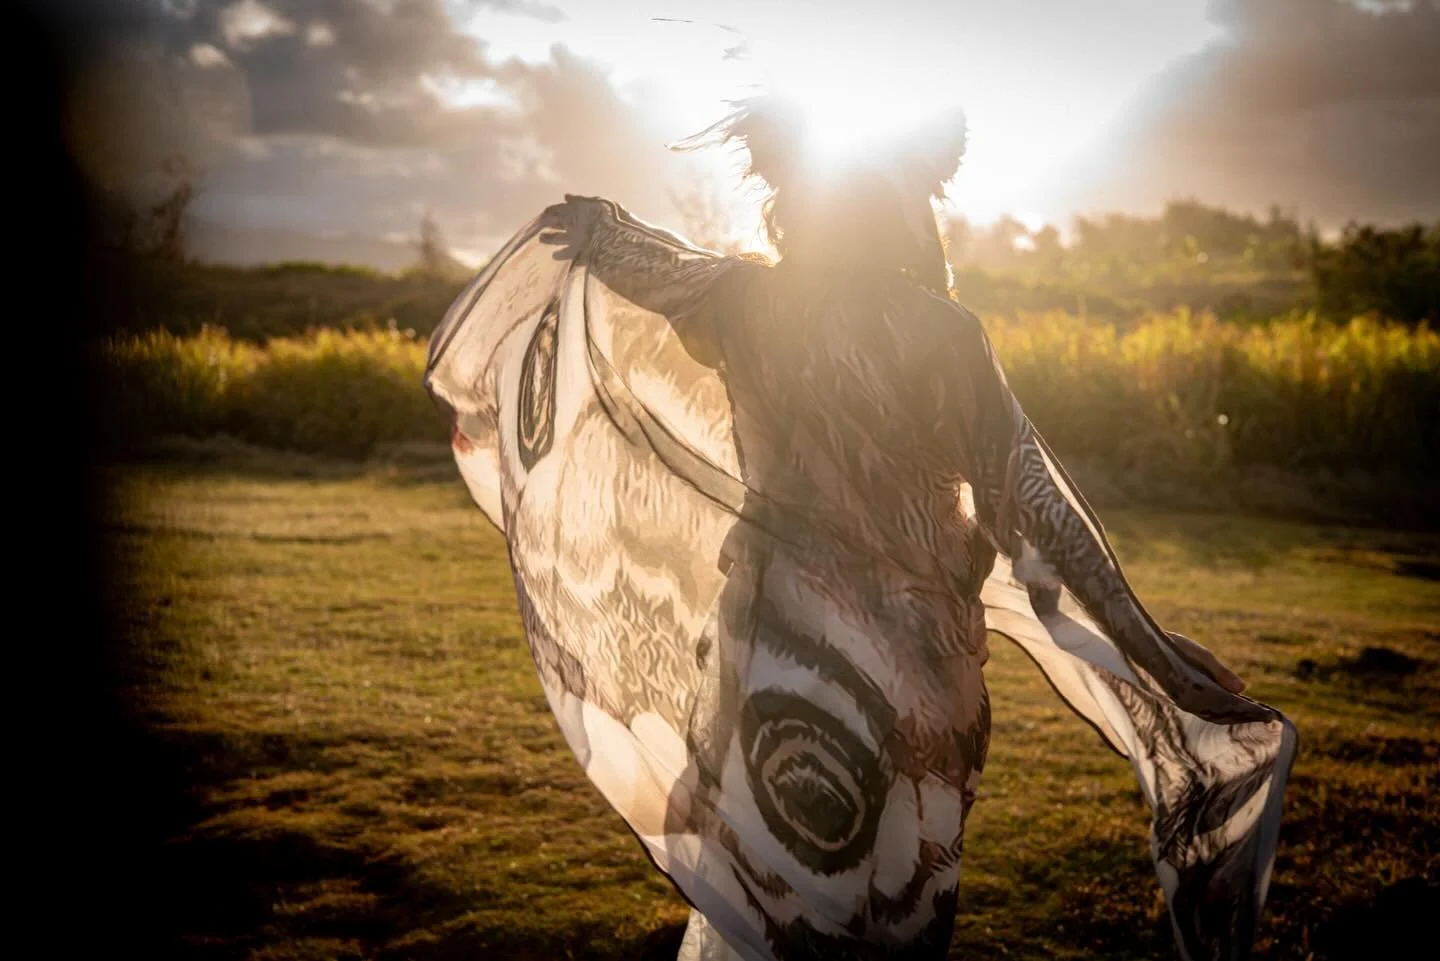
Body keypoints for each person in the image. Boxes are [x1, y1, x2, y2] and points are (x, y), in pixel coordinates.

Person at [424, 97, 1296, 961]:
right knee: (891, 918)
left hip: (775, 662)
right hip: (915, 679)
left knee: (777, 916)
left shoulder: (739, 304)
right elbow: (1038, 515)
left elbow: (613, 252)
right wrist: (1151, 649)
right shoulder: (945, 336)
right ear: (903, 210)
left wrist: (583, 247)